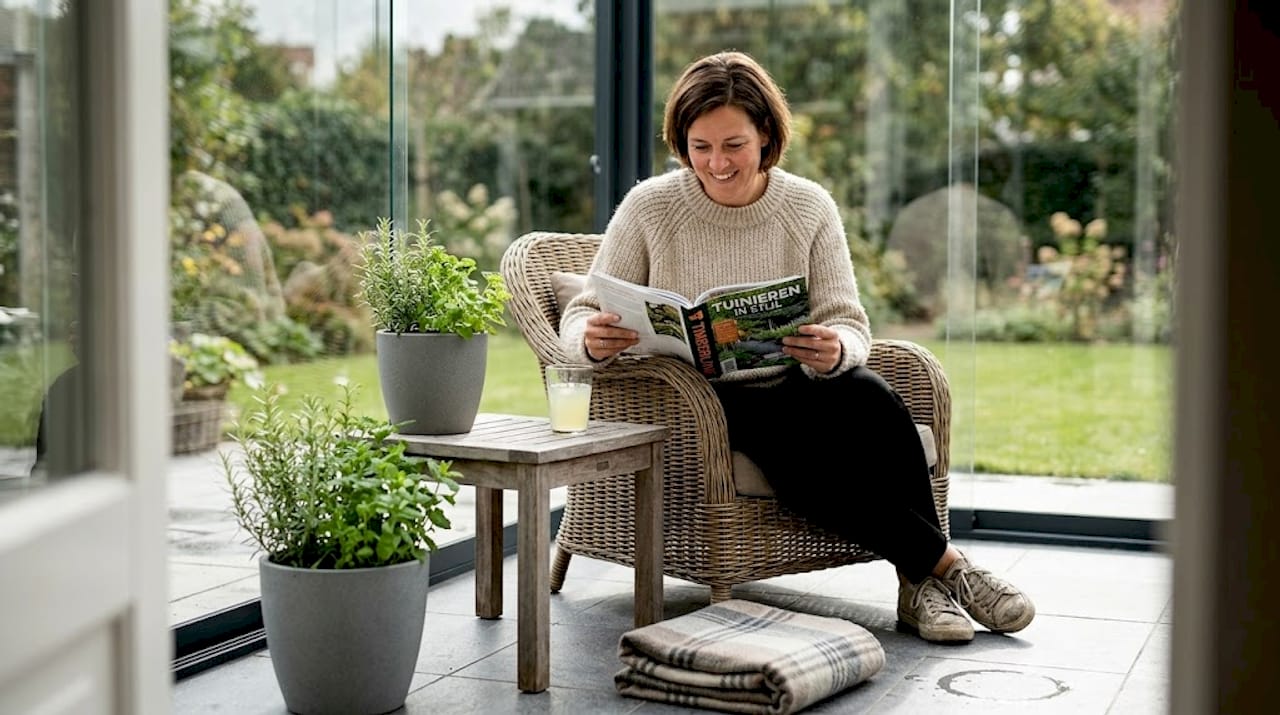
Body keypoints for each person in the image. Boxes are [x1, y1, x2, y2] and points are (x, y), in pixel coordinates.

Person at [559, 50, 1035, 644]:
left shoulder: (807, 207)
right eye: (700, 146)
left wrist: (837, 351)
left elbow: (849, 321)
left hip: (792, 382)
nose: (716, 163)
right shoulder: (650, 207)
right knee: (801, 456)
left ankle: (921, 587)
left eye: (732, 144)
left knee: (874, 396)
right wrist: (590, 340)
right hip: (694, 403)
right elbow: (581, 312)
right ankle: (945, 571)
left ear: (765, 134)